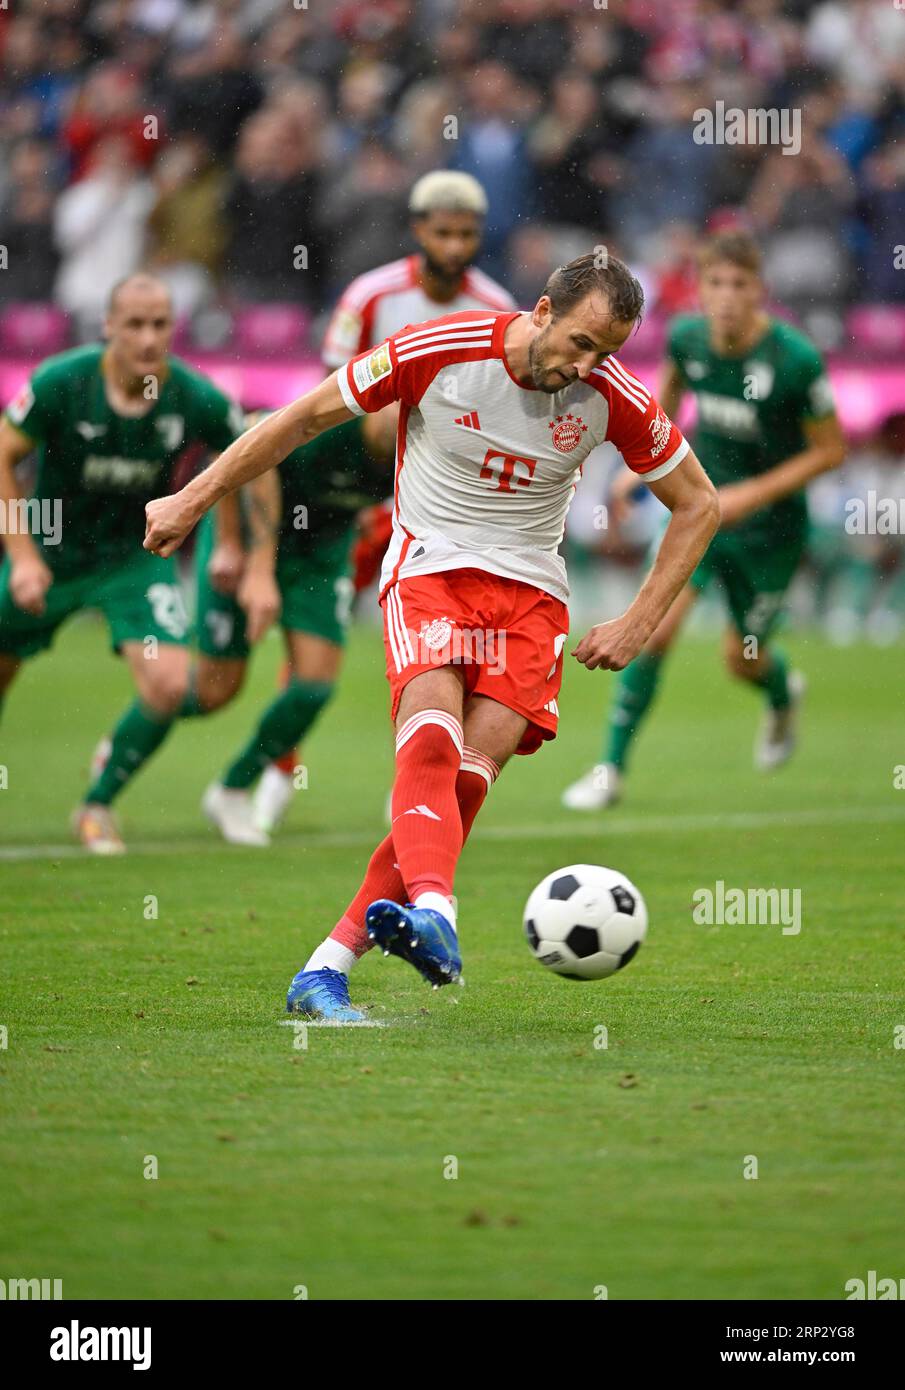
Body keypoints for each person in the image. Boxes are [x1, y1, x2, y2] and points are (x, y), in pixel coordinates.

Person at [143, 252, 719, 1021]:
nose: (588, 365)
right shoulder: (438, 349)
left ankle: (324, 970)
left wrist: (638, 621)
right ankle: (438, 919)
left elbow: (698, 503)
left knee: (464, 785)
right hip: (432, 572)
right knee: (430, 743)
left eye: (606, 352)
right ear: (542, 312)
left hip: (531, 601)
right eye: (580, 343)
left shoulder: (611, 397)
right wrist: (192, 495)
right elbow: (296, 420)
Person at [252, 168, 517, 835]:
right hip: (364, 497)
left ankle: (414, 784)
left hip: (440, 503)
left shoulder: (494, 304)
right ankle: (279, 768)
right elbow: (329, 392)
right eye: (443, 232)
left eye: (467, 234)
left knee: (438, 650)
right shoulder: (371, 295)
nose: (455, 246)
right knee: (318, 635)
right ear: (418, 230)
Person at [562, 232, 845, 812]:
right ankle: (609, 769)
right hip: (698, 512)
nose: (726, 296)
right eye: (715, 283)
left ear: (759, 291)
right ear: (699, 288)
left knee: (742, 659)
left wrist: (751, 495)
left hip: (770, 532)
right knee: (655, 631)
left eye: (740, 285)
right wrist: (632, 472)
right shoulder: (688, 338)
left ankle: (780, 690)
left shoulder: (795, 360)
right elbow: (662, 409)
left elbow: (830, 451)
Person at [0, 273, 243, 853]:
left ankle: (98, 802)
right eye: (134, 324)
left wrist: (231, 542)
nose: (148, 337)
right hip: (51, 552)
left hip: (136, 557)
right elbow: (3, 457)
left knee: (167, 685)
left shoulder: (191, 395)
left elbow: (238, 454)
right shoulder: (62, 381)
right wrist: (24, 557)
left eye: (160, 324)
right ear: (109, 326)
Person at [182, 406, 397, 846]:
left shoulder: (421, 447)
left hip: (320, 557)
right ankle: (124, 747)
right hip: (247, 540)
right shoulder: (336, 419)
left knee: (314, 685)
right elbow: (241, 445)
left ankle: (233, 788)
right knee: (213, 689)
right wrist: (232, 547)